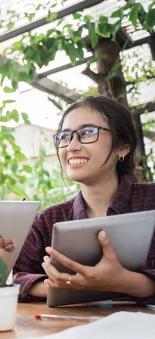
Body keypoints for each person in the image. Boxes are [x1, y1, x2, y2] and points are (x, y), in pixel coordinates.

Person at [13, 95, 155, 305]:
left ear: (122, 147)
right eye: (64, 136)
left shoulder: (151, 201)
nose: (71, 146)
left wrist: (123, 282)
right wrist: (66, 284)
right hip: (70, 332)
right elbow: (14, 278)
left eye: (88, 133)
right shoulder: (48, 221)